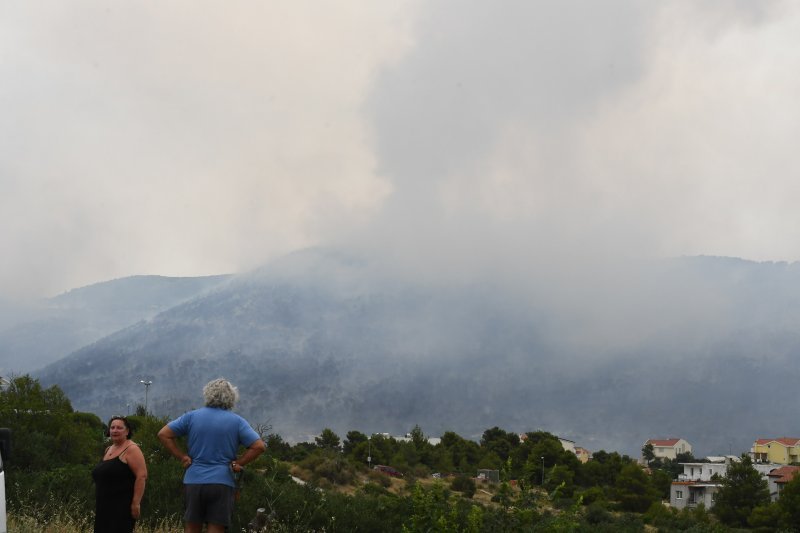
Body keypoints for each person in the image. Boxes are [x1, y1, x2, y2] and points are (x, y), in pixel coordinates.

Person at [158, 378, 266, 533]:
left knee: (192, 527)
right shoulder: (237, 421)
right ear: (232, 398)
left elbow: (163, 434)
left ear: (207, 394)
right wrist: (238, 463)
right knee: (216, 528)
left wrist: (182, 457)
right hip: (222, 482)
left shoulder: (191, 416)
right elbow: (259, 446)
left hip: (193, 480)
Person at [92, 415, 148, 533]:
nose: (115, 430)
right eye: (112, 428)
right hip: (103, 506)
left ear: (127, 431)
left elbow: (141, 476)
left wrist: (136, 504)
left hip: (121, 507)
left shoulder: (132, 449)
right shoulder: (108, 449)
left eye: (119, 428)